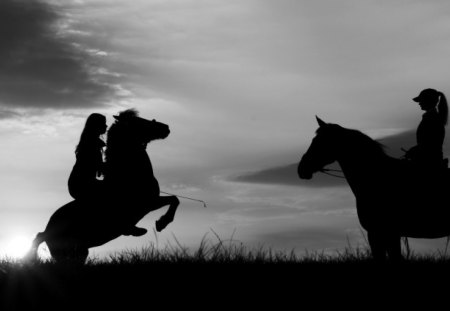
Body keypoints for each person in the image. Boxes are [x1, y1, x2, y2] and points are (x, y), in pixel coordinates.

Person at [68, 113, 147, 237]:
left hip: (84, 182)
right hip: (82, 184)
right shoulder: (91, 144)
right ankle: (124, 225)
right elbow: (97, 167)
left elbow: (98, 168)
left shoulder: (92, 142)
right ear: (96, 126)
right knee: (115, 195)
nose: (106, 126)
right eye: (103, 124)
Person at [405, 88, 448, 171]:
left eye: (421, 101)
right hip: (432, 161)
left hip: (429, 163)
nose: (419, 103)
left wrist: (413, 151)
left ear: (428, 101)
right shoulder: (433, 117)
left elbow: (429, 144)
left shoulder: (432, 119)